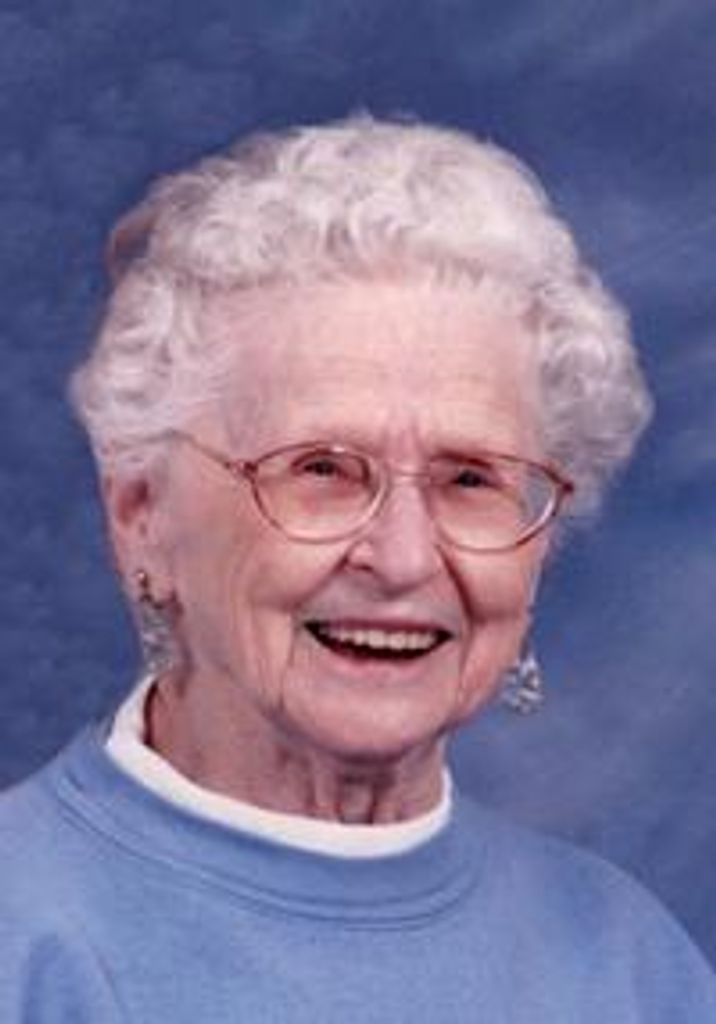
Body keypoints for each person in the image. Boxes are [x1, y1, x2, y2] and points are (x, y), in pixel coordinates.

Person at [0, 114, 713, 1023]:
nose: (404, 558)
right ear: (143, 517)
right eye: (323, 470)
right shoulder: (25, 938)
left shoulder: (629, 963)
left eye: (470, 479)